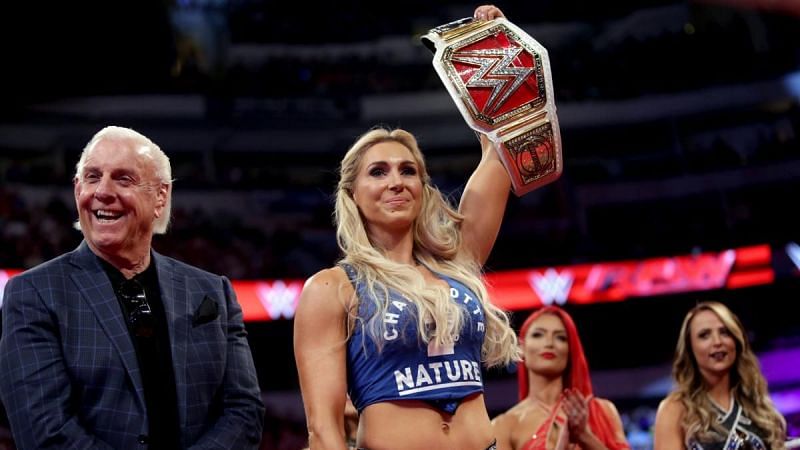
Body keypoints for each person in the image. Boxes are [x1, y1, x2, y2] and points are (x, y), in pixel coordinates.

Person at [293, 32, 523, 448]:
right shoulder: (331, 288)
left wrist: (492, 45)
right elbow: (323, 428)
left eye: (408, 170)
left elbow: (500, 150)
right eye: (378, 172)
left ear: (423, 186)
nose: (396, 182)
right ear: (352, 195)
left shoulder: (458, 259)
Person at [0, 126, 265, 449]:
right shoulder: (34, 294)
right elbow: (43, 430)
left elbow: (244, 412)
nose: (103, 191)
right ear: (77, 191)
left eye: (123, 179)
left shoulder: (212, 291)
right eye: (93, 177)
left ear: (160, 197)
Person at [653, 301, 787, 450]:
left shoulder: (759, 405)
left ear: (736, 340)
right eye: (704, 335)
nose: (717, 342)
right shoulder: (675, 409)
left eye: (725, 332)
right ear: (690, 348)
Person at [492, 306, 630, 450]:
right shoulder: (504, 426)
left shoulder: (603, 411)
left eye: (561, 337)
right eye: (538, 335)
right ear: (521, 348)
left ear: (571, 351)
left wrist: (584, 436)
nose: (549, 343)